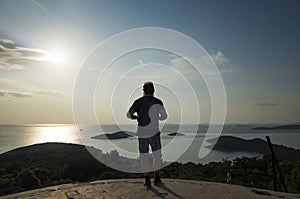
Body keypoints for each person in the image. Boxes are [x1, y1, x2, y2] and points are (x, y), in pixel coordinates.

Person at [127, 82, 167, 188]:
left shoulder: (138, 102)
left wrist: (137, 117)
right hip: (154, 133)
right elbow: (164, 116)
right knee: (157, 156)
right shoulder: (158, 102)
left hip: (142, 133)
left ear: (143, 90)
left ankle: (147, 179)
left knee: (144, 157)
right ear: (153, 90)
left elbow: (129, 114)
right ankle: (157, 178)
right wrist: (156, 118)